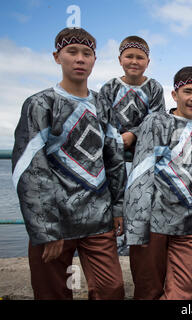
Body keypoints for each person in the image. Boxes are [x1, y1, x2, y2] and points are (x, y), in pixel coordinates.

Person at [11, 27, 126, 300]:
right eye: (71, 52)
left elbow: (114, 159)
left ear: (94, 60)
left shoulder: (102, 104)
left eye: (87, 53)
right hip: (56, 222)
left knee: (111, 289)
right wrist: (46, 229)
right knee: (52, 292)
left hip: (98, 218)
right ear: (56, 57)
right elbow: (30, 169)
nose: (79, 59)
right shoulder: (40, 104)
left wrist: (118, 205)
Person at [124, 66, 192, 300]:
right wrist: (137, 229)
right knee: (148, 291)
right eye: (187, 91)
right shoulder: (156, 122)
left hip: (186, 227)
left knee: (184, 292)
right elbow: (140, 175)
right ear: (174, 95)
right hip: (152, 225)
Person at [98, 35, 165, 152]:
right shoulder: (109, 88)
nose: (134, 61)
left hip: (144, 153)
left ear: (148, 62)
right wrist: (118, 140)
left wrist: (134, 134)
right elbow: (102, 121)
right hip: (112, 153)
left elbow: (157, 121)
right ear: (120, 60)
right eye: (129, 56)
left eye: (140, 58)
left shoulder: (154, 88)